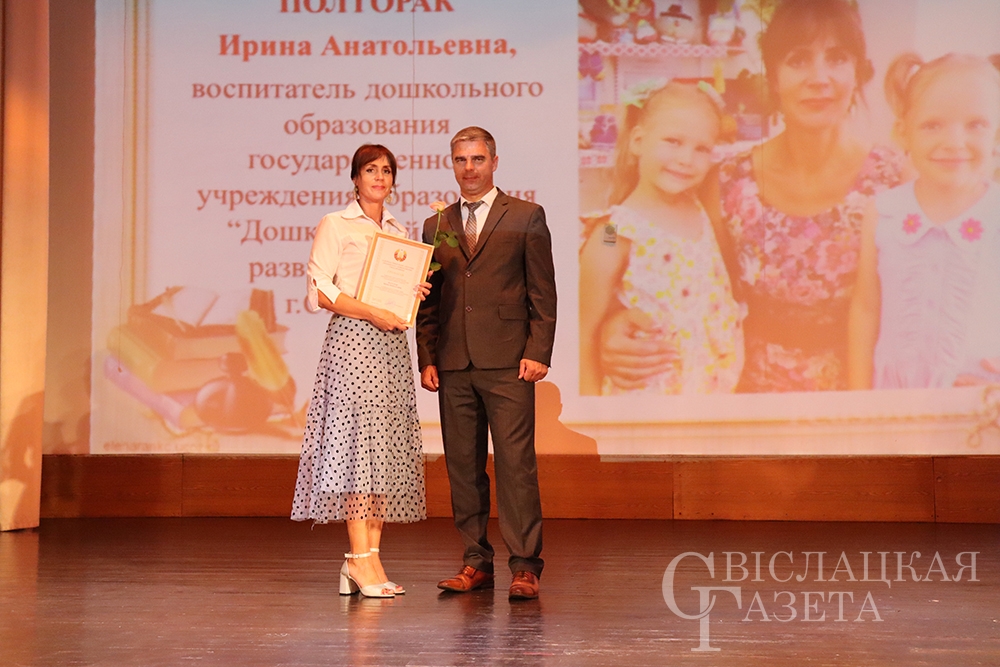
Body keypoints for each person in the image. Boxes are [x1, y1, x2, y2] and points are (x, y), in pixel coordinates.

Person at [599, 0, 905, 393]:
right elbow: (662, 268)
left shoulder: (895, 180)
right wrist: (611, 322)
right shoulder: (727, 182)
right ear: (773, 76)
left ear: (858, 71)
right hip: (742, 397)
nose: (819, 78)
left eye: (837, 58)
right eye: (798, 60)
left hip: (864, 395)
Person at [416, 126, 557, 600]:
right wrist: (428, 356)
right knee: (462, 467)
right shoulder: (435, 225)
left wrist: (538, 351)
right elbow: (429, 301)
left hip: (509, 361)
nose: (469, 168)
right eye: (461, 160)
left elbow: (542, 292)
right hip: (454, 361)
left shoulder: (526, 216)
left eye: (478, 159)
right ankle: (476, 561)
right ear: (452, 164)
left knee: (516, 466)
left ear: (494, 162)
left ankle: (525, 566)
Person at [290, 144, 429, 598]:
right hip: (353, 341)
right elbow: (320, 291)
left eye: (387, 170)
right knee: (357, 451)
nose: (379, 177)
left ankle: (370, 559)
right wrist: (372, 311)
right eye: (370, 170)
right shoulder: (336, 224)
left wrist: (414, 291)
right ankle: (358, 558)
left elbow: (397, 292)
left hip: (391, 345)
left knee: (382, 450)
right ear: (355, 178)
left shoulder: (398, 231)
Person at [578, 81, 742, 395]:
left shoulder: (701, 208)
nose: (686, 158)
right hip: (645, 403)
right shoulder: (613, 231)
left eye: (702, 149)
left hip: (710, 397)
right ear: (638, 141)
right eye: (673, 141)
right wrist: (589, 413)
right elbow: (585, 333)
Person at [849, 53, 1000, 389]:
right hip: (893, 403)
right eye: (932, 125)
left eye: (976, 125)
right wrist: (857, 398)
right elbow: (865, 308)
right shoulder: (884, 213)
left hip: (982, 406)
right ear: (903, 133)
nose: (954, 143)